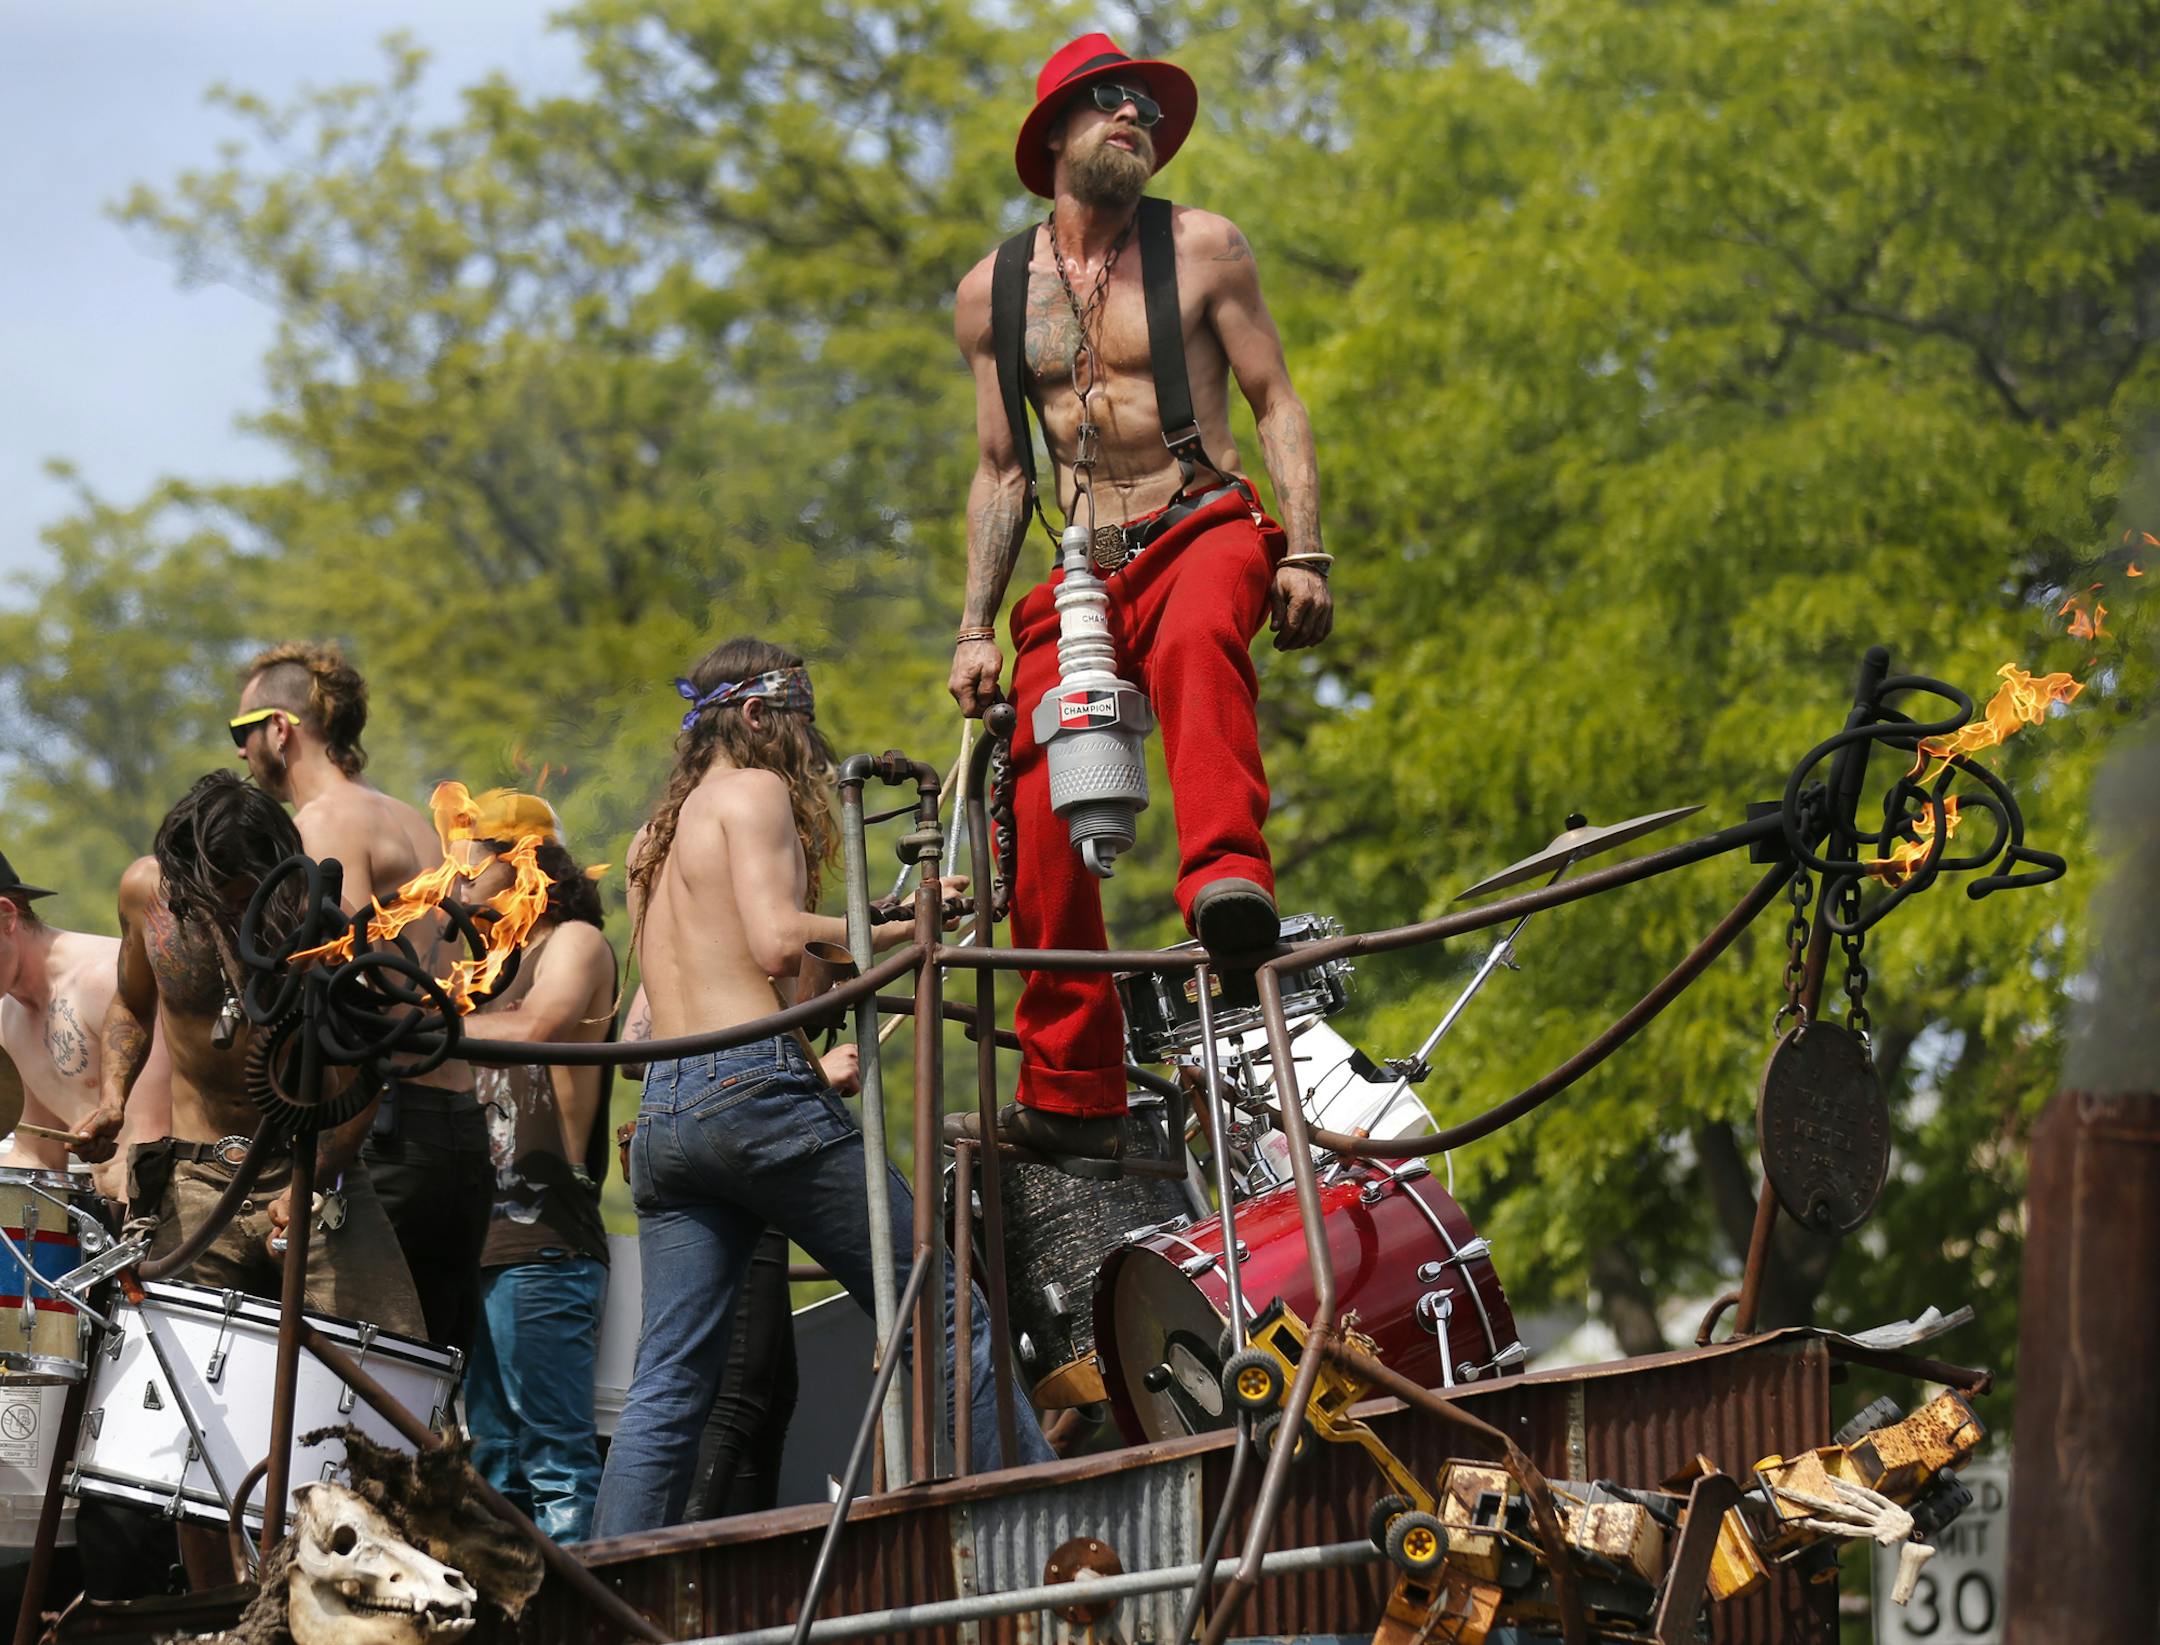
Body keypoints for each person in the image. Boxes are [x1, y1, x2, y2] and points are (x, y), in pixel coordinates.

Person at [945, 34, 1334, 1159]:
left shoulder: (1207, 249)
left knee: (1205, 631)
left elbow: (1276, 399)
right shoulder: (991, 294)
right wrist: (975, 627)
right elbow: (1001, 470)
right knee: (1030, 763)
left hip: (1199, 521)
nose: (1138, 122)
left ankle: (1227, 884)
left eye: (1150, 113)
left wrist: (1304, 551)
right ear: (1054, 132)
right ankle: (1074, 1087)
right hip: (1080, 568)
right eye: (1112, 104)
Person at [591, 637, 1050, 1537]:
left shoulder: (656, 832)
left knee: (670, 1380)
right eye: (796, 721)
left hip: (668, 1114)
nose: (804, 746)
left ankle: (607, 1591)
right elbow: (773, 943)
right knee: (943, 1307)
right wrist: (893, 916)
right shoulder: (752, 793)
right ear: (758, 714)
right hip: (748, 1094)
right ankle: (1039, 1527)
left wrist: (859, 938)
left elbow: (683, 994)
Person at [72, 773, 424, 1326]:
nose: (233, 907)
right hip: (194, 1176)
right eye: (218, 892)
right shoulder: (145, 894)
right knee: (161, 1360)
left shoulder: (325, 917)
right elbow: (131, 1005)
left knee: (389, 1352)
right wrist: (113, 1098)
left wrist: (315, 1177)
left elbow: (367, 1076)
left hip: (309, 1169)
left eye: (245, 892)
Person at [234, 642, 490, 1353]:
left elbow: (342, 991)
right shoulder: (408, 817)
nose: (241, 754)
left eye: (241, 732)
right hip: (456, 1126)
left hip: (385, 1133)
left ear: (280, 729)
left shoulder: (325, 822)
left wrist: (320, 1165)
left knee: (355, 1380)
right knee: (432, 1381)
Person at [451, 790, 617, 1544]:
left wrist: (419, 1023)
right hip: (477, 1248)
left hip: (542, 1245)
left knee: (554, 1462)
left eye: (471, 853)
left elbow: (542, 1026)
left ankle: (580, 1618)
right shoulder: (481, 972)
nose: (453, 871)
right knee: (489, 1465)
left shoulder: (572, 941)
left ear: (519, 860)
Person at [0, 850, 170, 1200]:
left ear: (6, 916)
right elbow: (37, 1156)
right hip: (112, 1227)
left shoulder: (105, 980)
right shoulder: (8, 1017)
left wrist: (127, 1245)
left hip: (170, 1217)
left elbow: (155, 1142)